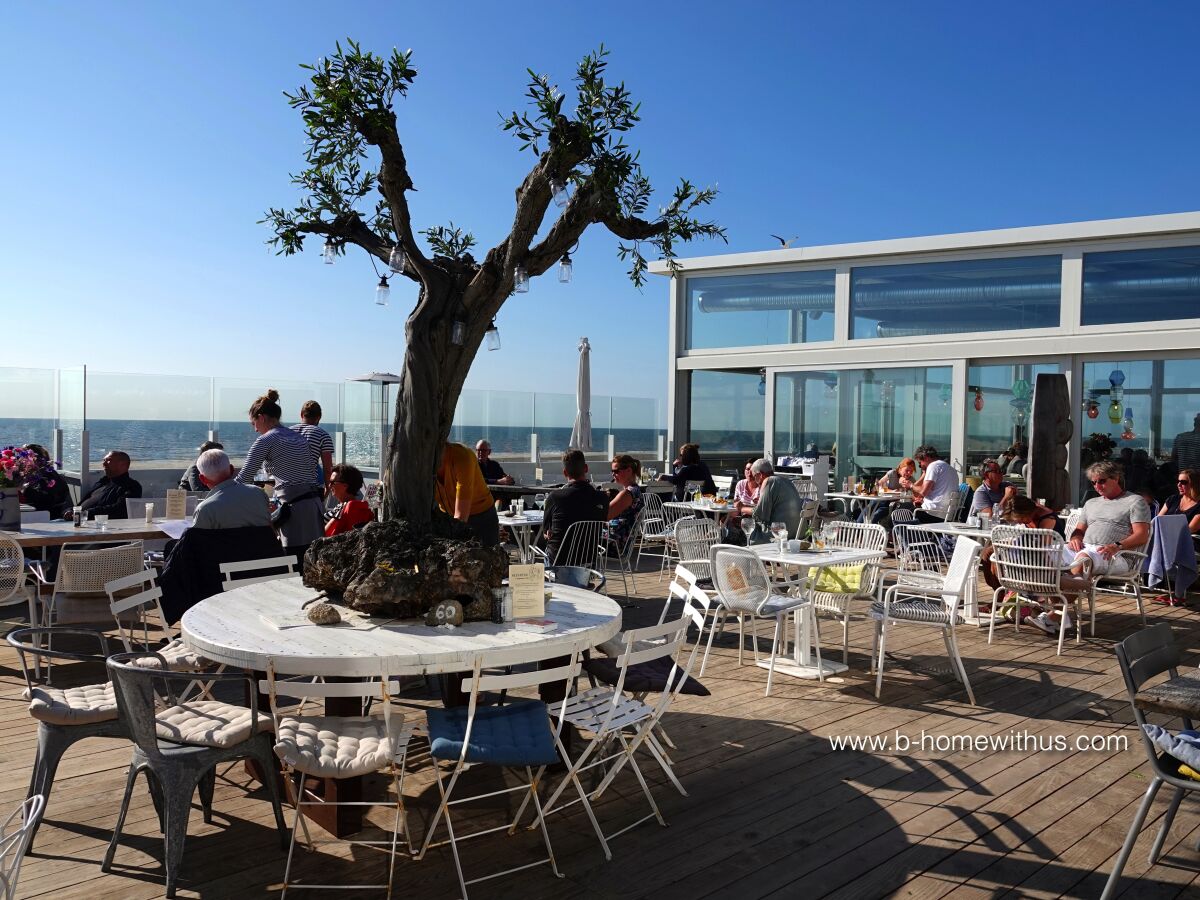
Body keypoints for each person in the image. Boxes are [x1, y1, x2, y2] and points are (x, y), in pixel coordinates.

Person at [1028, 460, 1151, 635]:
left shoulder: (1134, 501)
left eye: (1101, 481)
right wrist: (1075, 538)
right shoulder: (1091, 503)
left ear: (1116, 478)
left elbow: (1142, 535)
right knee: (1041, 553)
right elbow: (1079, 531)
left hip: (1117, 555)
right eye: (1093, 482)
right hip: (1086, 549)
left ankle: (1053, 617)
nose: (1097, 486)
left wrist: (1117, 546)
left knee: (1084, 557)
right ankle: (1052, 606)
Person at [236, 388, 324, 564]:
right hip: (314, 507)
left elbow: (243, 479)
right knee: (314, 564)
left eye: (253, 423)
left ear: (261, 417)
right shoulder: (298, 438)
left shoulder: (266, 440)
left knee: (295, 567)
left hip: (295, 510)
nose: (255, 430)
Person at [540, 449, 608, 564]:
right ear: (586, 468)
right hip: (588, 563)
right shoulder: (602, 498)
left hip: (559, 563)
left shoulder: (555, 497)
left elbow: (546, 533)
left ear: (565, 473)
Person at [1152, 468, 1200, 606]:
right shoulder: (1173, 499)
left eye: (1183, 482)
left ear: (1195, 484)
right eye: (1178, 481)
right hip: (1167, 540)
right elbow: (1157, 521)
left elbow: (1189, 529)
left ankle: (1177, 591)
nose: (1179, 485)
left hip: (1190, 542)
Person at [435, 441, 499, 546]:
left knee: (488, 558)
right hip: (448, 518)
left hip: (482, 516)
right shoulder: (420, 463)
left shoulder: (462, 456)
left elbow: (461, 515)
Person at [192, 449, 271, 529]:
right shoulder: (259, 493)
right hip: (264, 541)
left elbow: (197, 539)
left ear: (202, 479)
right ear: (232, 469)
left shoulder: (205, 509)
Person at [69, 450, 142, 520]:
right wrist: (70, 511)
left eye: (109, 460)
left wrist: (85, 513)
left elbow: (120, 509)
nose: (104, 464)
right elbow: (83, 502)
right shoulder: (102, 482)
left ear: (123, 465)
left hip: (99, 525)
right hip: (77, 519)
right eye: (104, 460)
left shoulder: (131, 486)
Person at [748, 458, 802, 544]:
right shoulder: (787, 481)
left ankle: (750, 555)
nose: (755, 481)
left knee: (749, 527)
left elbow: (759, 514)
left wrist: (741, 508)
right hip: (797, 534)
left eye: (755, 477)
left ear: (760, 475)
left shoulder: (769, 481)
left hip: (780, 534)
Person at [291, 400, 335, 493]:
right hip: (309, 489)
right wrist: (327, 489)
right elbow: (327, 469)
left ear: (301, 414)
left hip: (285, 488)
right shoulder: (323, 435)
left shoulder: (287, 432)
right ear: (319, 417)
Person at [606, 454, 645, 552]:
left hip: (615, 543)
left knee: (582, 535)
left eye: (616, 471)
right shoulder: (636, 490)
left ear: (629, 470)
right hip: (623, 541)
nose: (613, 474)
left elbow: (605, 515)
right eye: (612, 471)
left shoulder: (627, 494)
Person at [19, 443, 71, 518]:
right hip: (52, 514)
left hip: (40, 517)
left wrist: (21, 491)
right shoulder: (53, 475)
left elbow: (41, 501)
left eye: (23, 458)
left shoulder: (44, 478)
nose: (21, 461)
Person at [911, 445, 958, 523]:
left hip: (932, 513)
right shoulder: (951, 469)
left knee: (897, 509)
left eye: (920, 463)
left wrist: (911, 485)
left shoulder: (933, 466)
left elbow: (923, 491)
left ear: (926, 457)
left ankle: (892, 534)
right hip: (947, 515)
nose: (921, 467)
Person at [325, 463, 374, 536]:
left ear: (345, 485)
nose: (329, 485)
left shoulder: (350, 507)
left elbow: (326, 534)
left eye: (333, 482)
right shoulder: (342, 505)